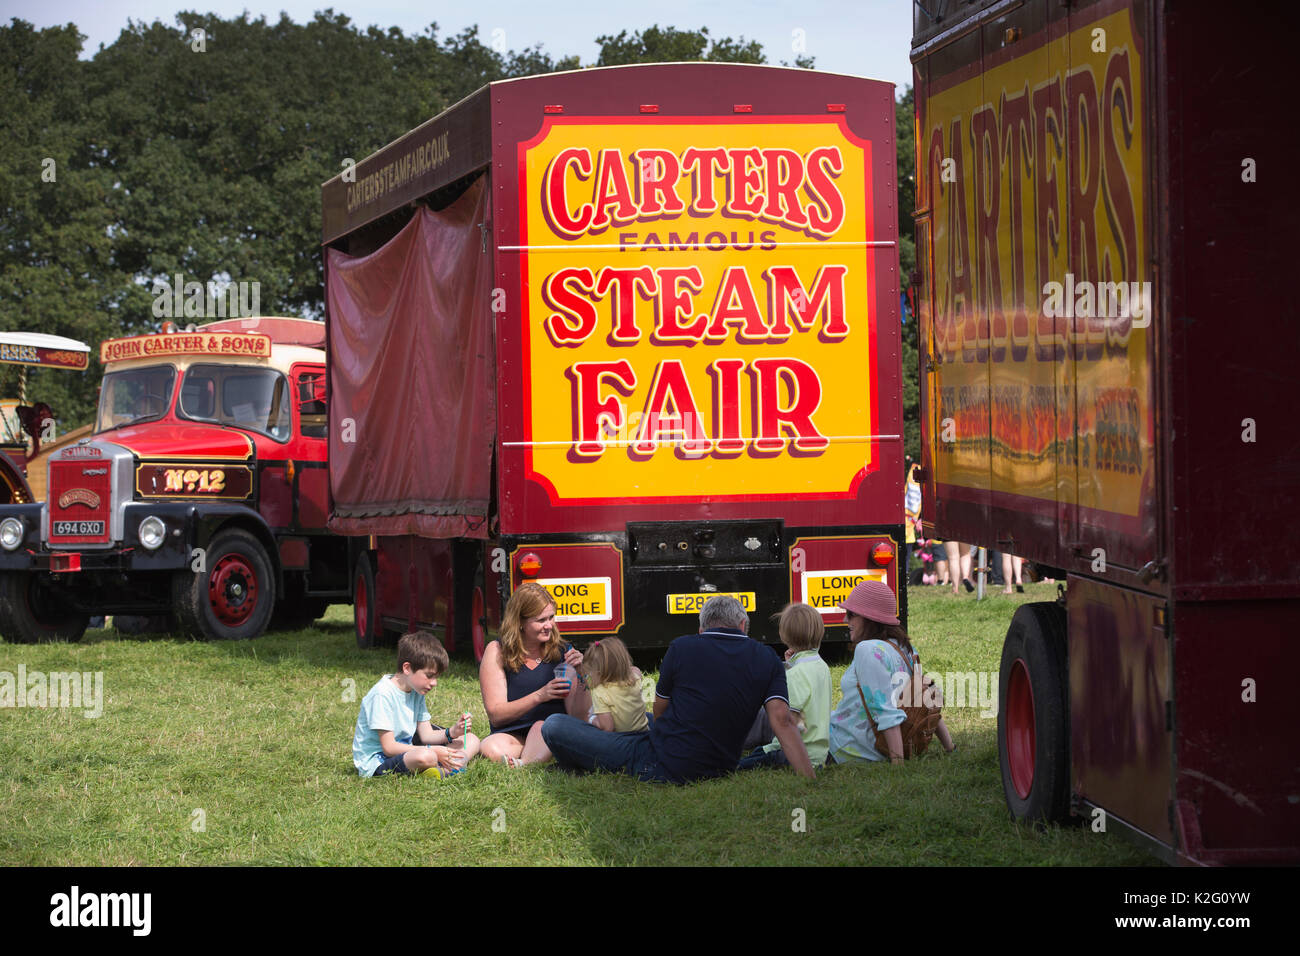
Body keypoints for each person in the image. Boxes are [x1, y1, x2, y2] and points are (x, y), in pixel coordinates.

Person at [540, 595, 815, 782]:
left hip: (660, 763)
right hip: (721, 764)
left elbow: (661, 711)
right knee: (638, 721)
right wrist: (809, 778)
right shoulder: (768, 659)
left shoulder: (682, 647)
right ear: (743, 625)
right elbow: (782, 720)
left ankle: (577, 762)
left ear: (701, 628)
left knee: (554, 725)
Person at [828, 580, 955, 764]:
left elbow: (885, 712)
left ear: (868, 617)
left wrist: (898, 766)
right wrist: (950, 747)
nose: (845, 620)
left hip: (844, 748)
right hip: (862, 744)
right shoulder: (907, 649)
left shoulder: (868, 650)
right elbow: (926, 699)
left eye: (851, 614)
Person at [479, 582, 590, 767]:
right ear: (520, 622)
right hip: (513, 735)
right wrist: (540, 695)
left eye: (551, 617)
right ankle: (539, 754)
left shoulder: (564, 653)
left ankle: (525, 763)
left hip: (551, 730)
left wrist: (582, 673)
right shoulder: (497, 651)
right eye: (541, 620)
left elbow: (579, 718)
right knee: (490, 748)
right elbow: (496, 715)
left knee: (541, 727)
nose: (549, 626)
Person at [352, 630, 481, 778]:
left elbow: (427, 735)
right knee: (426, 757)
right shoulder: (382, 694)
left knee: (471, 739)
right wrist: (433, 750)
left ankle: (455, 764)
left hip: (410, 747)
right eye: (429, 676)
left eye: (436, 677)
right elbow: (389, 747)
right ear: (407, 668)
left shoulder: (415, 690)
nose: (434, 683)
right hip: (379, 761)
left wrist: (453, 732)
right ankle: (447, 767)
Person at [737, 603, 831, 770]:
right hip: (819, 753)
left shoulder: (795, 675)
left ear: (783, 635)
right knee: (760, 751)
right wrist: (791, 663)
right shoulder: (821, 666)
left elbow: (789, 721)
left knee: (744, 763)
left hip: (796, 753)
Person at [582, 637, 649, 733]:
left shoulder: (600, 692)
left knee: (556, 721)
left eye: (590, 673)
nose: (589, 676)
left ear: (599, 672)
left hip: (621, 741)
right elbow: (635, 669)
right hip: (644, 734)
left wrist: (592, 720)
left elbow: (608, 727)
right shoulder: (636, 678)